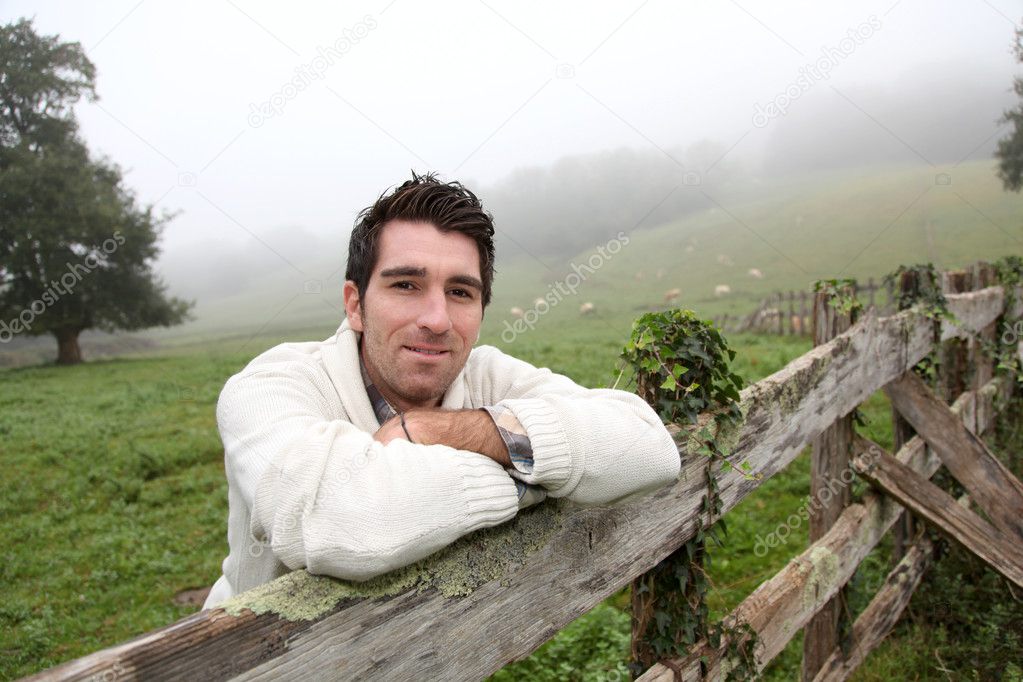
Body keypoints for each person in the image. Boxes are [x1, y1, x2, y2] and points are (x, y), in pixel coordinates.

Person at [202, 173, 680, 609]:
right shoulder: (271, 386)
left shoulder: (486, 374)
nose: (436, 319)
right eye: (406, 284)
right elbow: (338, 519)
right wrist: (531, 471)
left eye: (460, 292)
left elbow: (649, 448)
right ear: (355, 305)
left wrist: (434, 430)